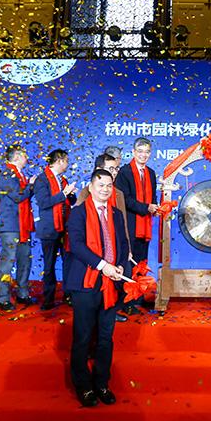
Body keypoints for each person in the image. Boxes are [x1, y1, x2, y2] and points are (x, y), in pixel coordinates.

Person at [64, 169, 129, 408]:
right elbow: (77, 246)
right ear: (91, 187)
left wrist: (119, 266)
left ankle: (102, 383)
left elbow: (123, 244)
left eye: (109, 185)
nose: (105, 189)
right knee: (82, 337)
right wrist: (104, 266)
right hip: (85, 283)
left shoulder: (116, 213)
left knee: (105, 338)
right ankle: (84, 386)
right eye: (100, 185)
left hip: (111, 284)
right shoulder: (78, 213)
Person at [77, 153, 130, 322]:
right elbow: (78, 231)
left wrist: (126, 250)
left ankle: (112, 311)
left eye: (115, 169)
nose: (114, 172)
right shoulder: (86, 194)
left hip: (115, 251)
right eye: (110, 169)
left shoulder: (118, 194)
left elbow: (123, 226)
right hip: (93, 256)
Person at [115, 137, 157, 307]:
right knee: (128, 263)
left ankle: (139, 298)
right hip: (130, 225)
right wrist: (146, 207)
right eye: (140, 151)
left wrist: (155, 207)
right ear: (133, 152)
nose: (143, 155)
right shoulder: (124, 172)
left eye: (147, 152)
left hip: (145, 225)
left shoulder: (151, 173)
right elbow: (124, 199)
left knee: (141, 263)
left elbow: (153, 197)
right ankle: (126, 302)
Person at [33, 149, 77, 310]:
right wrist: (64, 193)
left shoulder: (63, 180)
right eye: (66, 161)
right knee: (49, 265)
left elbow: (71, 201)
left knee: (69, 263)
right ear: (59, 161)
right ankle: (48, 299)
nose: (68, 164)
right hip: (49, 229)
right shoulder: (42, 179)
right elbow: (43, 202)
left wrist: (70, 195)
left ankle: (68, 295)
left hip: (65, 227)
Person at [0, 145, 37, 311]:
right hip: (11, 225)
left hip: (23, 225)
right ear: (17, 157)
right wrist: (31, 186)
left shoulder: (20, 175)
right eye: (24, 155)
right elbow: (18, 196)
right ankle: (3, 297)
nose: (27, 158)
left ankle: (22, 293)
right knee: (8, 262)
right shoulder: (7, 174)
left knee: (24, 260)